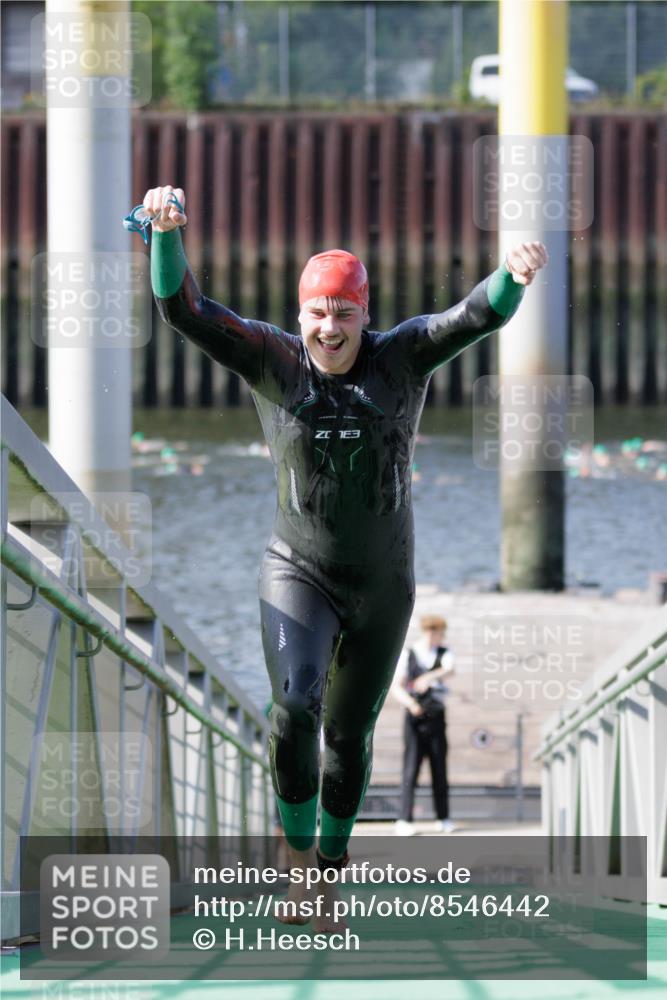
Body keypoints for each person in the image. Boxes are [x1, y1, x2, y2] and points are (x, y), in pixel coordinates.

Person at [141, 184, 548, 931]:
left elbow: (473, 316)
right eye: (317, 313)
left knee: (348, 733)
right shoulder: (272, 359)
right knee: (294, 706)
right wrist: (164, 236)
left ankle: (329, 869)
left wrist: (512, 276)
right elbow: (183, 310)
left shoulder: (401, 361)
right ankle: (297, 866)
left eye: (345, 313)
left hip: (383, 584)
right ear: (300, 315)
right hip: (296, 568)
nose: (330, 328)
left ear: (366, 313)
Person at [391, 614, 455, 835]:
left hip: (436, 716)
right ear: (430, 631)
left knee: (439, 768)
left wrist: (427, 678)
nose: (441, 637)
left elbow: (450, 669)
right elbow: (397, 687)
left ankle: (443, 817)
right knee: (411, 769)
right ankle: (404, 819)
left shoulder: (444, 654)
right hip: (414, 718)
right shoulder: (409, 655)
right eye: (439, 633)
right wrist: (410, 704)